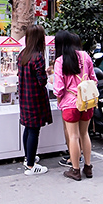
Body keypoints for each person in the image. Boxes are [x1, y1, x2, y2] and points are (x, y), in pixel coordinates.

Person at [53, 30, 96, 181]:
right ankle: (88, 167)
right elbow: (93, 79)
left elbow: (59, 88)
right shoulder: (85, 56)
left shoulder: (60, 61)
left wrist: (59, 101)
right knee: (85, 134)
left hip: (70, 103)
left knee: (73, 136)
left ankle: (75, 169)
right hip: (86, 101)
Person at [18, 25, 53, 176]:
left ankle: (28, 158)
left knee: (28, 128)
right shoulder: (38, 57)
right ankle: (31, 166)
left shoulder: (23, 54)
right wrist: (46, 74)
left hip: (25, 97)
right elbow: (42, 81)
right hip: (35, 99)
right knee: (34, 130)